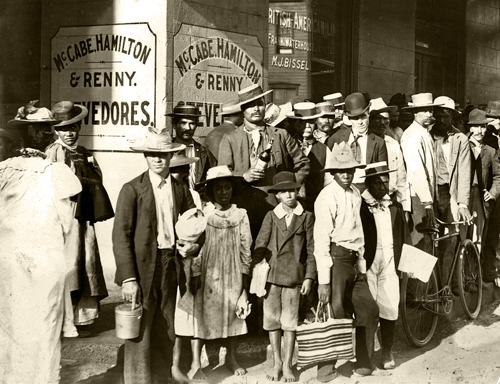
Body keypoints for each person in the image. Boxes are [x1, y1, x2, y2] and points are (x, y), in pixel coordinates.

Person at [112, 128, 203, 384]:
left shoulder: (179, 189)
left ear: (171, 156)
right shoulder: (132, 189)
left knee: (167, 327)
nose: (158, 159)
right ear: (145, 156)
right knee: (140, 330)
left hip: (171, 265)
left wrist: (192, 246)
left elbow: (196, 223)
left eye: (162, 154)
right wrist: (129, 279)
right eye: (152, 154)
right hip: (142, 270)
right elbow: (121, 237)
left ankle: (162, 379)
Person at [0, 149, 81, 383]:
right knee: (40, 325)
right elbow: (67, 223)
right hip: (38, 260)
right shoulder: (51, 173)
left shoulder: (49, 172)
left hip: (16, 259)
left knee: (17, 324)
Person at [45, 101, 112, 337]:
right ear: (56, 131)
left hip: (84, 218)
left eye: (74, 128)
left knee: (88, 258)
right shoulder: (54, 152)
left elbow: (98, 180)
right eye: (64, 129)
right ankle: (65, 318)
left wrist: (92, 172)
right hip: (66, 216)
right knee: (69, 262)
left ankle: (84, 316)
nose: (70, 133)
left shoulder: (84, 153)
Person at [314, 142, 379, 381]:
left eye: (350, 169)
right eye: (341, 170)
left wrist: (361, 261)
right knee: (335, 312)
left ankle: (363, 360)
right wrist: (323, 280)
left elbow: (358, 230)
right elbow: (321, 240)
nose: (346, 174)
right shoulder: (326, 197)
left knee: (368, 309)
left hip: (353, 259)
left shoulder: (354, 194)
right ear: (332, 172)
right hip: (336, 259)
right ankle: (325, 367)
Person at [218, 84, 310, 239]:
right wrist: (243, 177)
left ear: (265, 106)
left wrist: (287, 189)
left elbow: (303, 164)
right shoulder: (230, 139)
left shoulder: (281, 135)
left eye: (259, 104)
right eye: (250, 106)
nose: (256, 109)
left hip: (276, 206)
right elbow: (221, 175)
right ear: (243, 110)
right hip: (243, 207)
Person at [253, 171, 316, 382]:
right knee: (272, 322)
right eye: (284, 192)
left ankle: (288, 364)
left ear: (297, 191)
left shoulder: (306, 217)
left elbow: (311, 249)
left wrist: (309, 277)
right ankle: (276, 362)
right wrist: (257, 270)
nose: (289, 195)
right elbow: (260, 245)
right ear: (277, 196)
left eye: (292, 190)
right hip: (271, 278)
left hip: (294, 279)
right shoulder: (271, 216)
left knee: (289, 323)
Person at [192, 165, 253, 376]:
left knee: (233, 314)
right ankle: (195, 363)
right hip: (208, 271)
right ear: (210, 191)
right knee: (201, 314)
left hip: (233, 271)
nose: (223, 192)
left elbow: (246, 248)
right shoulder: (204, 214)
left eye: (227, 188)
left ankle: (232, 358)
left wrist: (244, 280)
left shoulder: (240, 214)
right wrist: (196, 273)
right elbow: (196, 247)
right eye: (218, 188)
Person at [360, 163, 411, 370]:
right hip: (369, 262)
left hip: (389, 261)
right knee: (368, 308)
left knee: (390, 306)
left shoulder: (395, 207)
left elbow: (404, 237)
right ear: (368, 184)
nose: (382, 186)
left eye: (385, 182)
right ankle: (366, 355)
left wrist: (408, 264)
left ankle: (387, 350)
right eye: (377, 182)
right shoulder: (361, 206)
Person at [431, 96, 472, 282]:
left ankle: (447, 284)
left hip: (450, 192)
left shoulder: (460, 139)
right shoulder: (427, 135)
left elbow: (464, 172)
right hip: (431, 192)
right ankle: (428, 288)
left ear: (452, 116)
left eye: (446, 116)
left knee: (451, 239)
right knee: (428, 239)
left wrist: (463, 203)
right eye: (438, 115)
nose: (441, 120)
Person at [400, 93, 441, 249]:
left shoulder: (424, 133)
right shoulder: (412, 136)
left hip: (426, 195)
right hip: (418, 195)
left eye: (430, 110)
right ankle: (417, 274)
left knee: (427, 240)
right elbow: (416, 171)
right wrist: (427, 203)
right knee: (420, 240)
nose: (429, 114)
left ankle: (424, 274)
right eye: (424, 110)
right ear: (415, 113)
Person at [326, 92, 388, 192]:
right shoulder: (336, 138)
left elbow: (382, 175)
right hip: (342, 190)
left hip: (369, 191)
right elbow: (329, 170)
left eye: (363, 116)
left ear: (368, 113)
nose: (360, 122)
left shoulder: (379, 142)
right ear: (349, 118)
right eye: (355, 118)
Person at [467, 109, 500, 285]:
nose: (479, 131)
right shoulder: (462, 144)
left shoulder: (490, 150)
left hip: (480, 197)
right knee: (461, 237)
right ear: (469, 128)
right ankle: (460, 279)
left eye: (482, 127)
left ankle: (472, 277)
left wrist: (492, 193)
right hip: (463, 196)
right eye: (475, 127)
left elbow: (497, 176)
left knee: (478, 238)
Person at [369, 98, 411, 214]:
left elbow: (401, 176)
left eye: (386, 119)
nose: (382, 123)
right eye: (378, 119)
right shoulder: (365, 143)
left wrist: (405, 206)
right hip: (370, 203)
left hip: (392, 201)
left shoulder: (392, 143)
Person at [288, 102, 327, 211]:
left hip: (315, 203)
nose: (307, 126)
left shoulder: (324, 149)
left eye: (310, 122)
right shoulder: (287, 145)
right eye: (301, 122)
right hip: (291, 203)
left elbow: (328, 181)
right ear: (295, 123)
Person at [169, 103, 210, 189]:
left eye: (192, 123)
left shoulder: (204, 153)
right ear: (174, 124)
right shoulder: (167, 151)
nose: (188, 128)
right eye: (183, 123)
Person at [205, 99, 243, 166]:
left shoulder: (211, 134)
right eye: (242, 114)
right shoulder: (237, 134)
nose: (244, 117)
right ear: (236, 115)